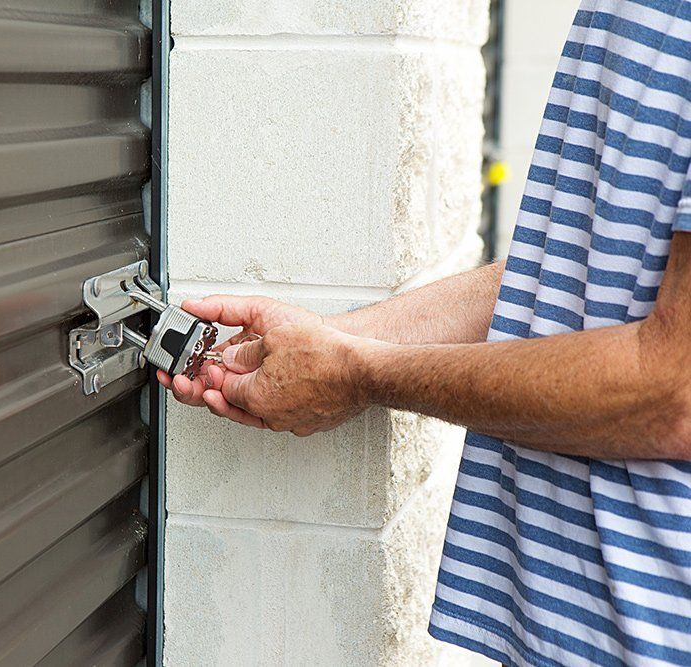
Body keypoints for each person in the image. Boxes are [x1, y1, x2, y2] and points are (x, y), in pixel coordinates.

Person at [160, 1, 691, 665]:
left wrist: (355, 371)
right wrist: (325, 342)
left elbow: (673, 390)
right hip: (573, 625)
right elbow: (567, 272)